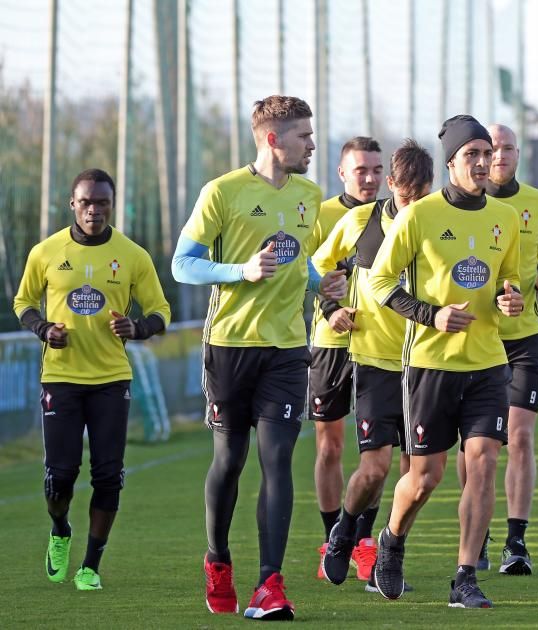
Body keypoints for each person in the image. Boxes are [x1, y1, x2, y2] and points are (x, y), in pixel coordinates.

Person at [171, 95, 346, 621]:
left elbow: (299, 265)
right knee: (231, 461)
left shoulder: (310, 196)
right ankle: (218, 560)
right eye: (304, 137)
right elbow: (183, 265)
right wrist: (238, 271)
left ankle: (270, 584)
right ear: (273, 139)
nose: (313, 145)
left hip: (289, 349)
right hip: (228, 347)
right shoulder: (222, 192)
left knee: (278, 459)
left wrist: (324, 285)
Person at [367, 114, 523, 608]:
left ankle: (464, 577)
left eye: (487, 154)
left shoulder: (506, 218)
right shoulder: (419, 216)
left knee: (483, 463)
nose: (483, 163)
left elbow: (509, 282)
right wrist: (430, 316)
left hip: (488, 363)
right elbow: (379, 282)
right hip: (431, 365)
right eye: (471, 155)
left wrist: (511, 300)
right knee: (425, 478)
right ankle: (391, 541)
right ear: (452, 162)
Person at [13, 168, 171, 592]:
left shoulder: (132, 255)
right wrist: (44, 329)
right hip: (61, 378)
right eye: (86, 202)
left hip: (111, 380)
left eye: (102, 202)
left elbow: (161, 310)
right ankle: (60, 529)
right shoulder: (46, 252)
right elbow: (23, 300)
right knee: (59, 476)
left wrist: (137, 329)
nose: (94, 210)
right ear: (72, 204)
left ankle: (90, 565)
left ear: (111, 205)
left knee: (108, 475)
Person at [314, 139, 433, 589]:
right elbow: (317, 273)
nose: (413, 206)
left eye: (421, 196)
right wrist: (332, 310)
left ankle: (388, 547)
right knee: (374, 468)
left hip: (425, 363)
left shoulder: (439, 222)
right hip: (375, 361)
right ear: (391, 187)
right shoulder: (359, 221)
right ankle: (345, 530)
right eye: (406, 197)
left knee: (415, 473)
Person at [455, 123, 538, 575]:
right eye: (490, 149)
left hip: (523, 336)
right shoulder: (459, 206)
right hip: (476, 338)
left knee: (518, 437)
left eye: (506, 148)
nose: (497, 156)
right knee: (476, 448)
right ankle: (476, 537)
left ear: (518, 154)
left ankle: (516, 542)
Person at [310, 136, 384, 580]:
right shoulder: (322, 216)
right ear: (343, 173)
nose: (371, 178)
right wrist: (333, 310)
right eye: (362, 170)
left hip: (378, 348)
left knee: (375, 452)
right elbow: (312, 273)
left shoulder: (395, 215)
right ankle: (331, 537)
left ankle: (363, 542)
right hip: (330, 344)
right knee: (330, 446)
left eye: (377, 170)